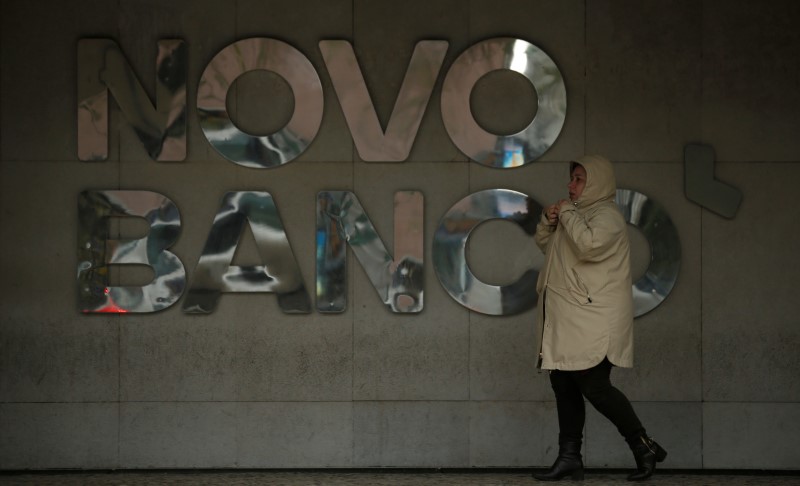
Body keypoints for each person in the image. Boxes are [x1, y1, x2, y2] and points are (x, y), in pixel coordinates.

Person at [532, 155, 666, 482]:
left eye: (579, 179)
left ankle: (642, 444)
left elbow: (588, 246)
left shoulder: (607, 217)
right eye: (572, 178)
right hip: (573, 318)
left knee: (594, 385)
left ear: (596, 182)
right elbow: (552, 249)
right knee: (562, 381)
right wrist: (549, 222)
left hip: (592, 319)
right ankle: (569, 457)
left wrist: (564, 212)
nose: (571, 185)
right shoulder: (578, 215)